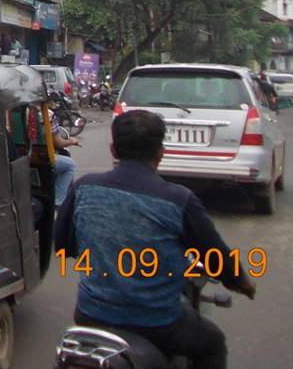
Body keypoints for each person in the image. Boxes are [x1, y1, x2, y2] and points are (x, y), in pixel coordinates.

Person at [55, 110, 256, 369]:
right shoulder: (179, 200)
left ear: (113, 150)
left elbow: (62, 246)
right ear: (161, 153)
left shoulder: (83, 187)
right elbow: (217, 257)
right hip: (158, 323)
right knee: (213, 343)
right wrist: (242, 283)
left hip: (90, 316)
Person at [51, 110, 81, 204]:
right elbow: (59, 143)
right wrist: (71, 141)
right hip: (45, 157)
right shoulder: (48, 115)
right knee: (70, 165)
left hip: (24, 155)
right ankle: (58, 201)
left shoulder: (17, 110)